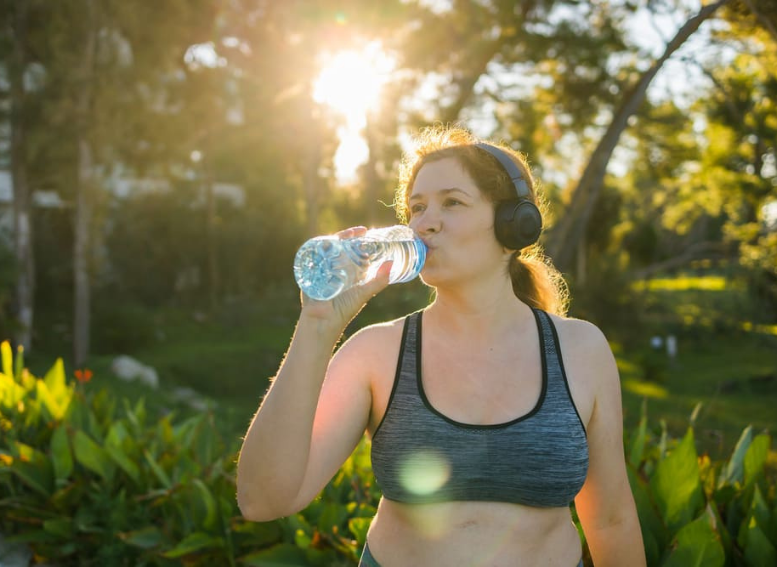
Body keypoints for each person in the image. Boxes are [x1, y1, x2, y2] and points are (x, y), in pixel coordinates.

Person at [236, 125, 646, 567]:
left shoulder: (580, 350)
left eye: (452, 202)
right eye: (417, 207)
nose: (425, 223)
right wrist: (317, 326)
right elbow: (263, 500)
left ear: (514, 225)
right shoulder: (376, 353)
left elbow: (611, 521)